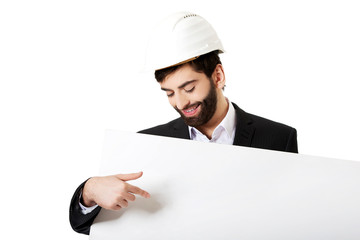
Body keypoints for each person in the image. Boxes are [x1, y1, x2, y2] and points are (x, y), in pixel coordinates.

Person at [69, 12, 298, 235]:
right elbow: (90, 226)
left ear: (218, 76)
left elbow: (294, 219)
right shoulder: (148, 142)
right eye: (169, 93)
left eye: (189, 89)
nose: (180, 103)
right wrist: (89, 193)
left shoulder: (278, 138)